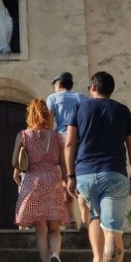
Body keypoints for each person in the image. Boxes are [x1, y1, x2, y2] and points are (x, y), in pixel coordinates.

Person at [64, 71, 131, 262]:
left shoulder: (79, 108)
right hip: (114, 174)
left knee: (95, 215)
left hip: (85, 176)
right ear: (110, 89)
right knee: (113, 231)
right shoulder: (122, 110)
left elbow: (70, 143)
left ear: (93, 87)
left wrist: (70, 176)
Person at [12, 99, 70, 262]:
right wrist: (67, 183)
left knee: (41, 231)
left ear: (30, 114)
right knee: (54, 229)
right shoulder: (57, 136)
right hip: (53, 180)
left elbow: (15, 163)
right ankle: (56, 256)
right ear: (47, 115)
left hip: (33, 181)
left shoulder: (23, 135)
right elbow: (64, 164)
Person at [46, 72, 90, 230]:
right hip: (83, 142)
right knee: (83, 179)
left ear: (58, 84)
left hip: (63, 141)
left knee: (66, 181)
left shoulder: (53, 98)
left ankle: (72, 220)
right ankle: (86, 220)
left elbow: (49, 121)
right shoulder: (83, 98)